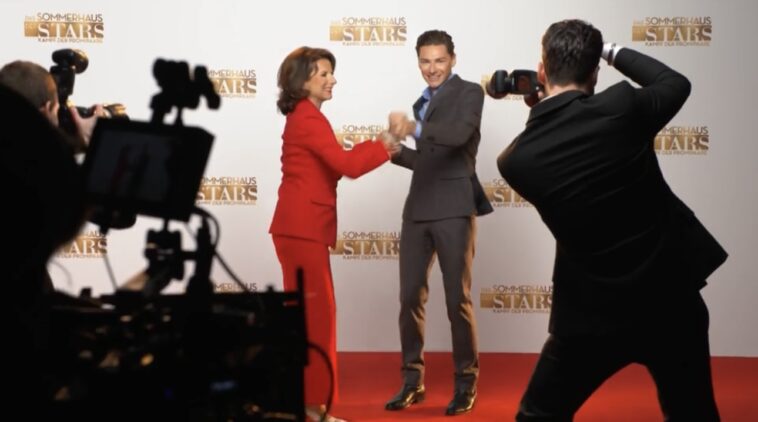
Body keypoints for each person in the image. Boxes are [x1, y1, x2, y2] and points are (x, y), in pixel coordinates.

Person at [496, 19, 726, 421]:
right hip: (670, 303)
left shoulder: (516, 161)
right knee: (693, 413)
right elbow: (674, 82)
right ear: (595, 73)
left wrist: (543, 112)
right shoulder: (622, 109)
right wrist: (606, 49)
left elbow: (555, 143)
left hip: (590, 317)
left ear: (542, 71)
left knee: (538, 415)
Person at [268, 46, 398, 422]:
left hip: (301, 229)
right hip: (301, 229)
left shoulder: (307, 117)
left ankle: (311, 406)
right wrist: (387, 142)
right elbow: (348, 165)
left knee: (312, 318)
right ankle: (311, 409)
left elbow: (337, 166)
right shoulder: (308, 118)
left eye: (331, 72)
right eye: (323, 73)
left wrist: (380, 143)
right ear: (302, 80)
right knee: (315, 319)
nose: (332, 79)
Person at [384, 29, 492, 416]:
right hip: (417, 209)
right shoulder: (422, 101)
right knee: (409, 298)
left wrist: (413, 128)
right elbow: (428, 160)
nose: (432, 68)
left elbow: (458, 137)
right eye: (425, 61)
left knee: (456, 300)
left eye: (440, 60)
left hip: (454, 208)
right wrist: (397, 152)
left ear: (453, 59)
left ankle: (466, 384)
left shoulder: (470, 93)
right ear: (418, 62)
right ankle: (412, 382)